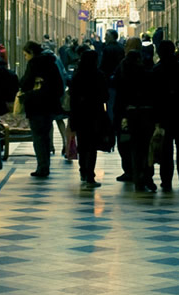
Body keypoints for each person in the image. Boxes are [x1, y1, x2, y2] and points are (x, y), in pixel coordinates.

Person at [151, 39, 179, 190]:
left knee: (166, 149)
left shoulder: (156, 71)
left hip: (164, 116)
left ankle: (166, 181)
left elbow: (153, 97)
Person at [113, 36, 156, 192]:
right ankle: (146, 176)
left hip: (128, 114)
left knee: (128, 144)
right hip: (146, 114)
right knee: (144, 147)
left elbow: (117, 89)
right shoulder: (148, 68)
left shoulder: (123, 68)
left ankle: (132, 172)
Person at [18, 40, 64, 178]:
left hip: (36, 105)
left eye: (25, 55)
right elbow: (59, 86)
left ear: (31, 53)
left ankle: (42, 166)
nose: (25, 58)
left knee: (38, 137)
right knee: (45, 135)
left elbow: (25, 83)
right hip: (49, 106)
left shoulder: (34, 64)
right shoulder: (52, 63)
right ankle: (45, 165)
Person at [68, 49, 109, 189]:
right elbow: (105, 96)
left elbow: (72, 97)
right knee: (92, 146)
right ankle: (90, 174)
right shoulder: (99, 75)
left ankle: (83, 171)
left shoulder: (77, 75)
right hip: (95, 114)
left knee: (82, 144)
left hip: (79, 114)